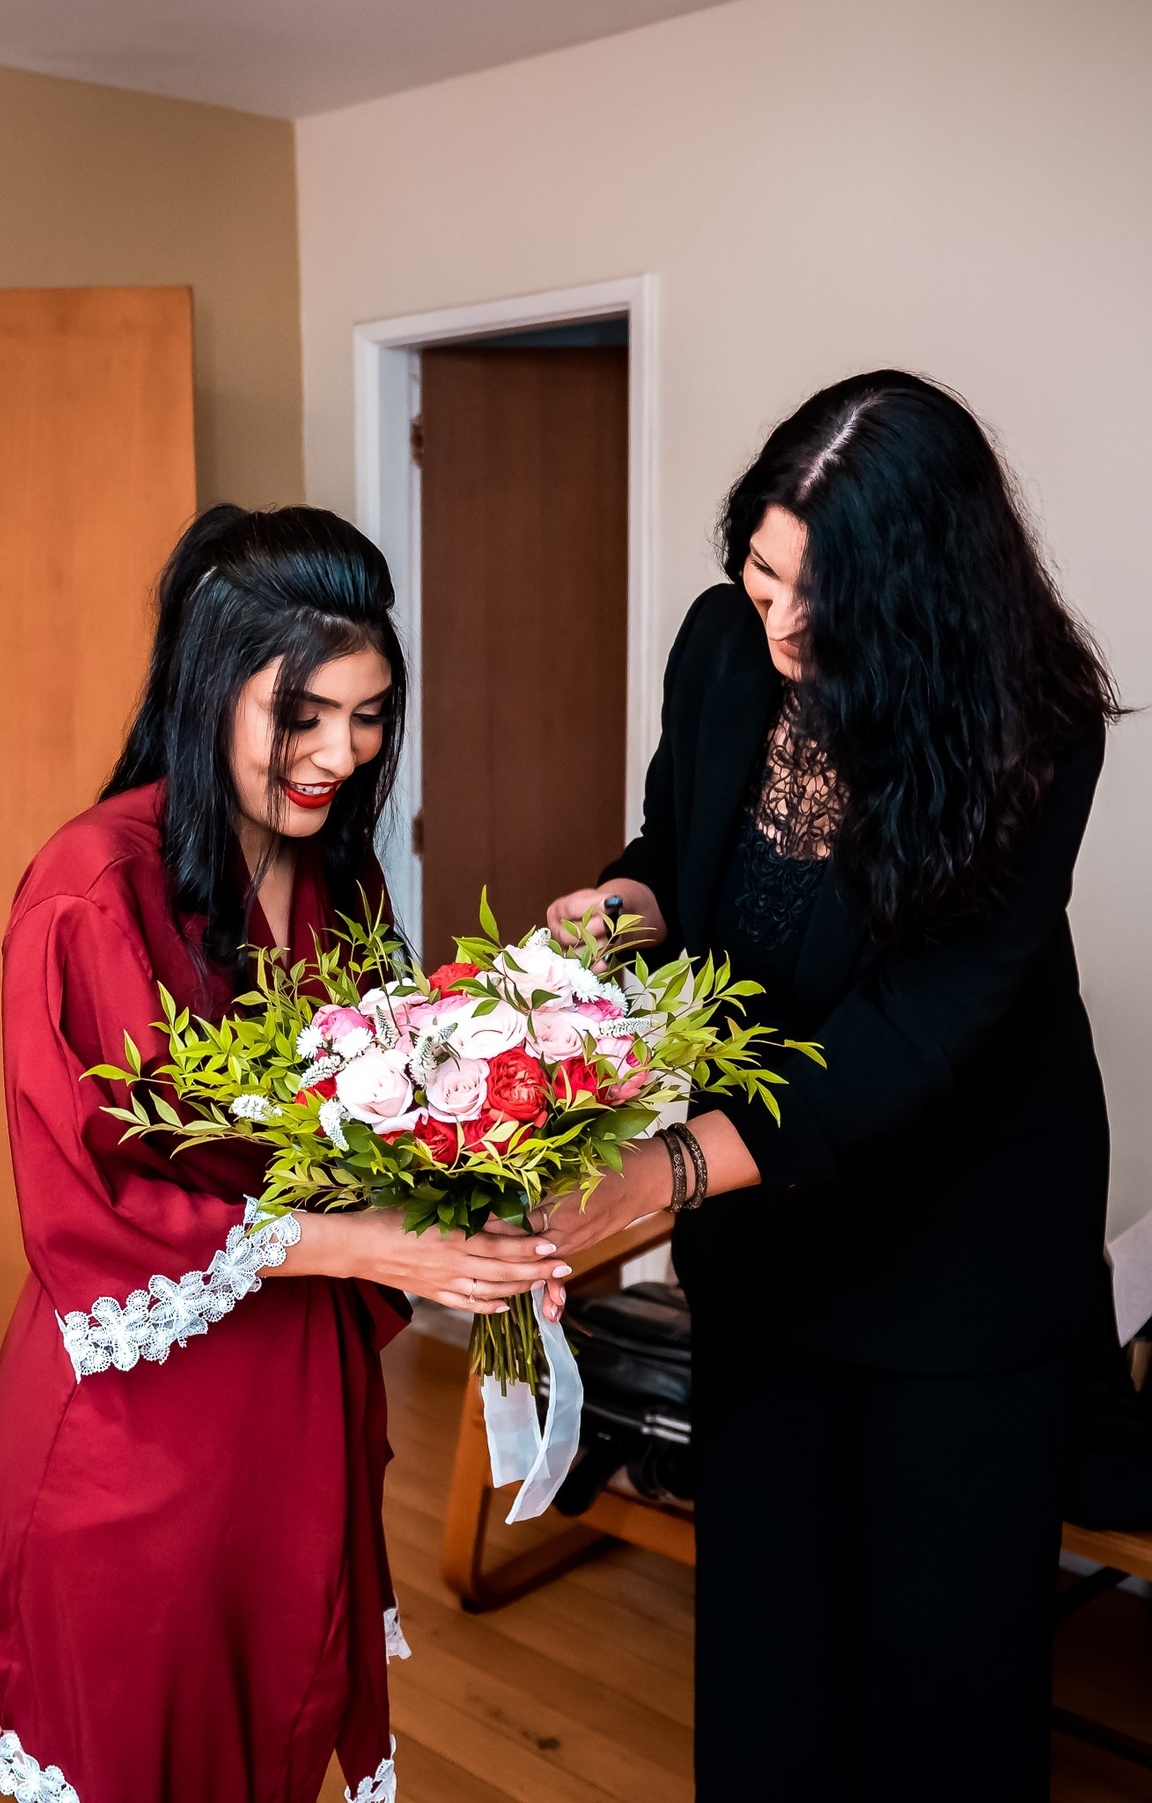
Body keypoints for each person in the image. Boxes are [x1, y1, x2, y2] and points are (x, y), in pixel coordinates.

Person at [520, 374, 1119, 1801]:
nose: (779, 621)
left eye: (821, 598)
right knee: (766, 1646)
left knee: (940, 1679)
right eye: (763, 570)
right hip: (772, 1234)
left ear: (919, 599)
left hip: (961, 1250)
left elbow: (912, 1036)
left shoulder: (1031, 725)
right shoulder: (724, 646)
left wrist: (655, 1179)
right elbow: (679, 842)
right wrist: (611, 910)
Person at [0, 506, 567, 1803]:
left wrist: (478, 1238)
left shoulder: (342, 881)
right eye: (305, 714)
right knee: (149, 1746)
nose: (342, 754)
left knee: (274, 1733)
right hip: (142, 1416)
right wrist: (375, 1245)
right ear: (209, 682)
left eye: (370, 714)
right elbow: (89, 1198)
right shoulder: (89, 888)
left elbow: (380, 1123)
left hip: (295, 1396)